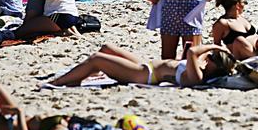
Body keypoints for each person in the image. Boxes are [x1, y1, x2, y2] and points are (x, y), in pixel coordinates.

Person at [49, 43, 236, 88]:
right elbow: (195, 53)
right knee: (107, 48)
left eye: (211, 57)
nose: (208, 57)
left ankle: (60, 82)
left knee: (96, 58)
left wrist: (215, 46)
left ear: (214, 65)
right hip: (146, 66)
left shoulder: (197, 77)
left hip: (144, 75)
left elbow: (193, 52)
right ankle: (83, 74)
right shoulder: (203, 68)